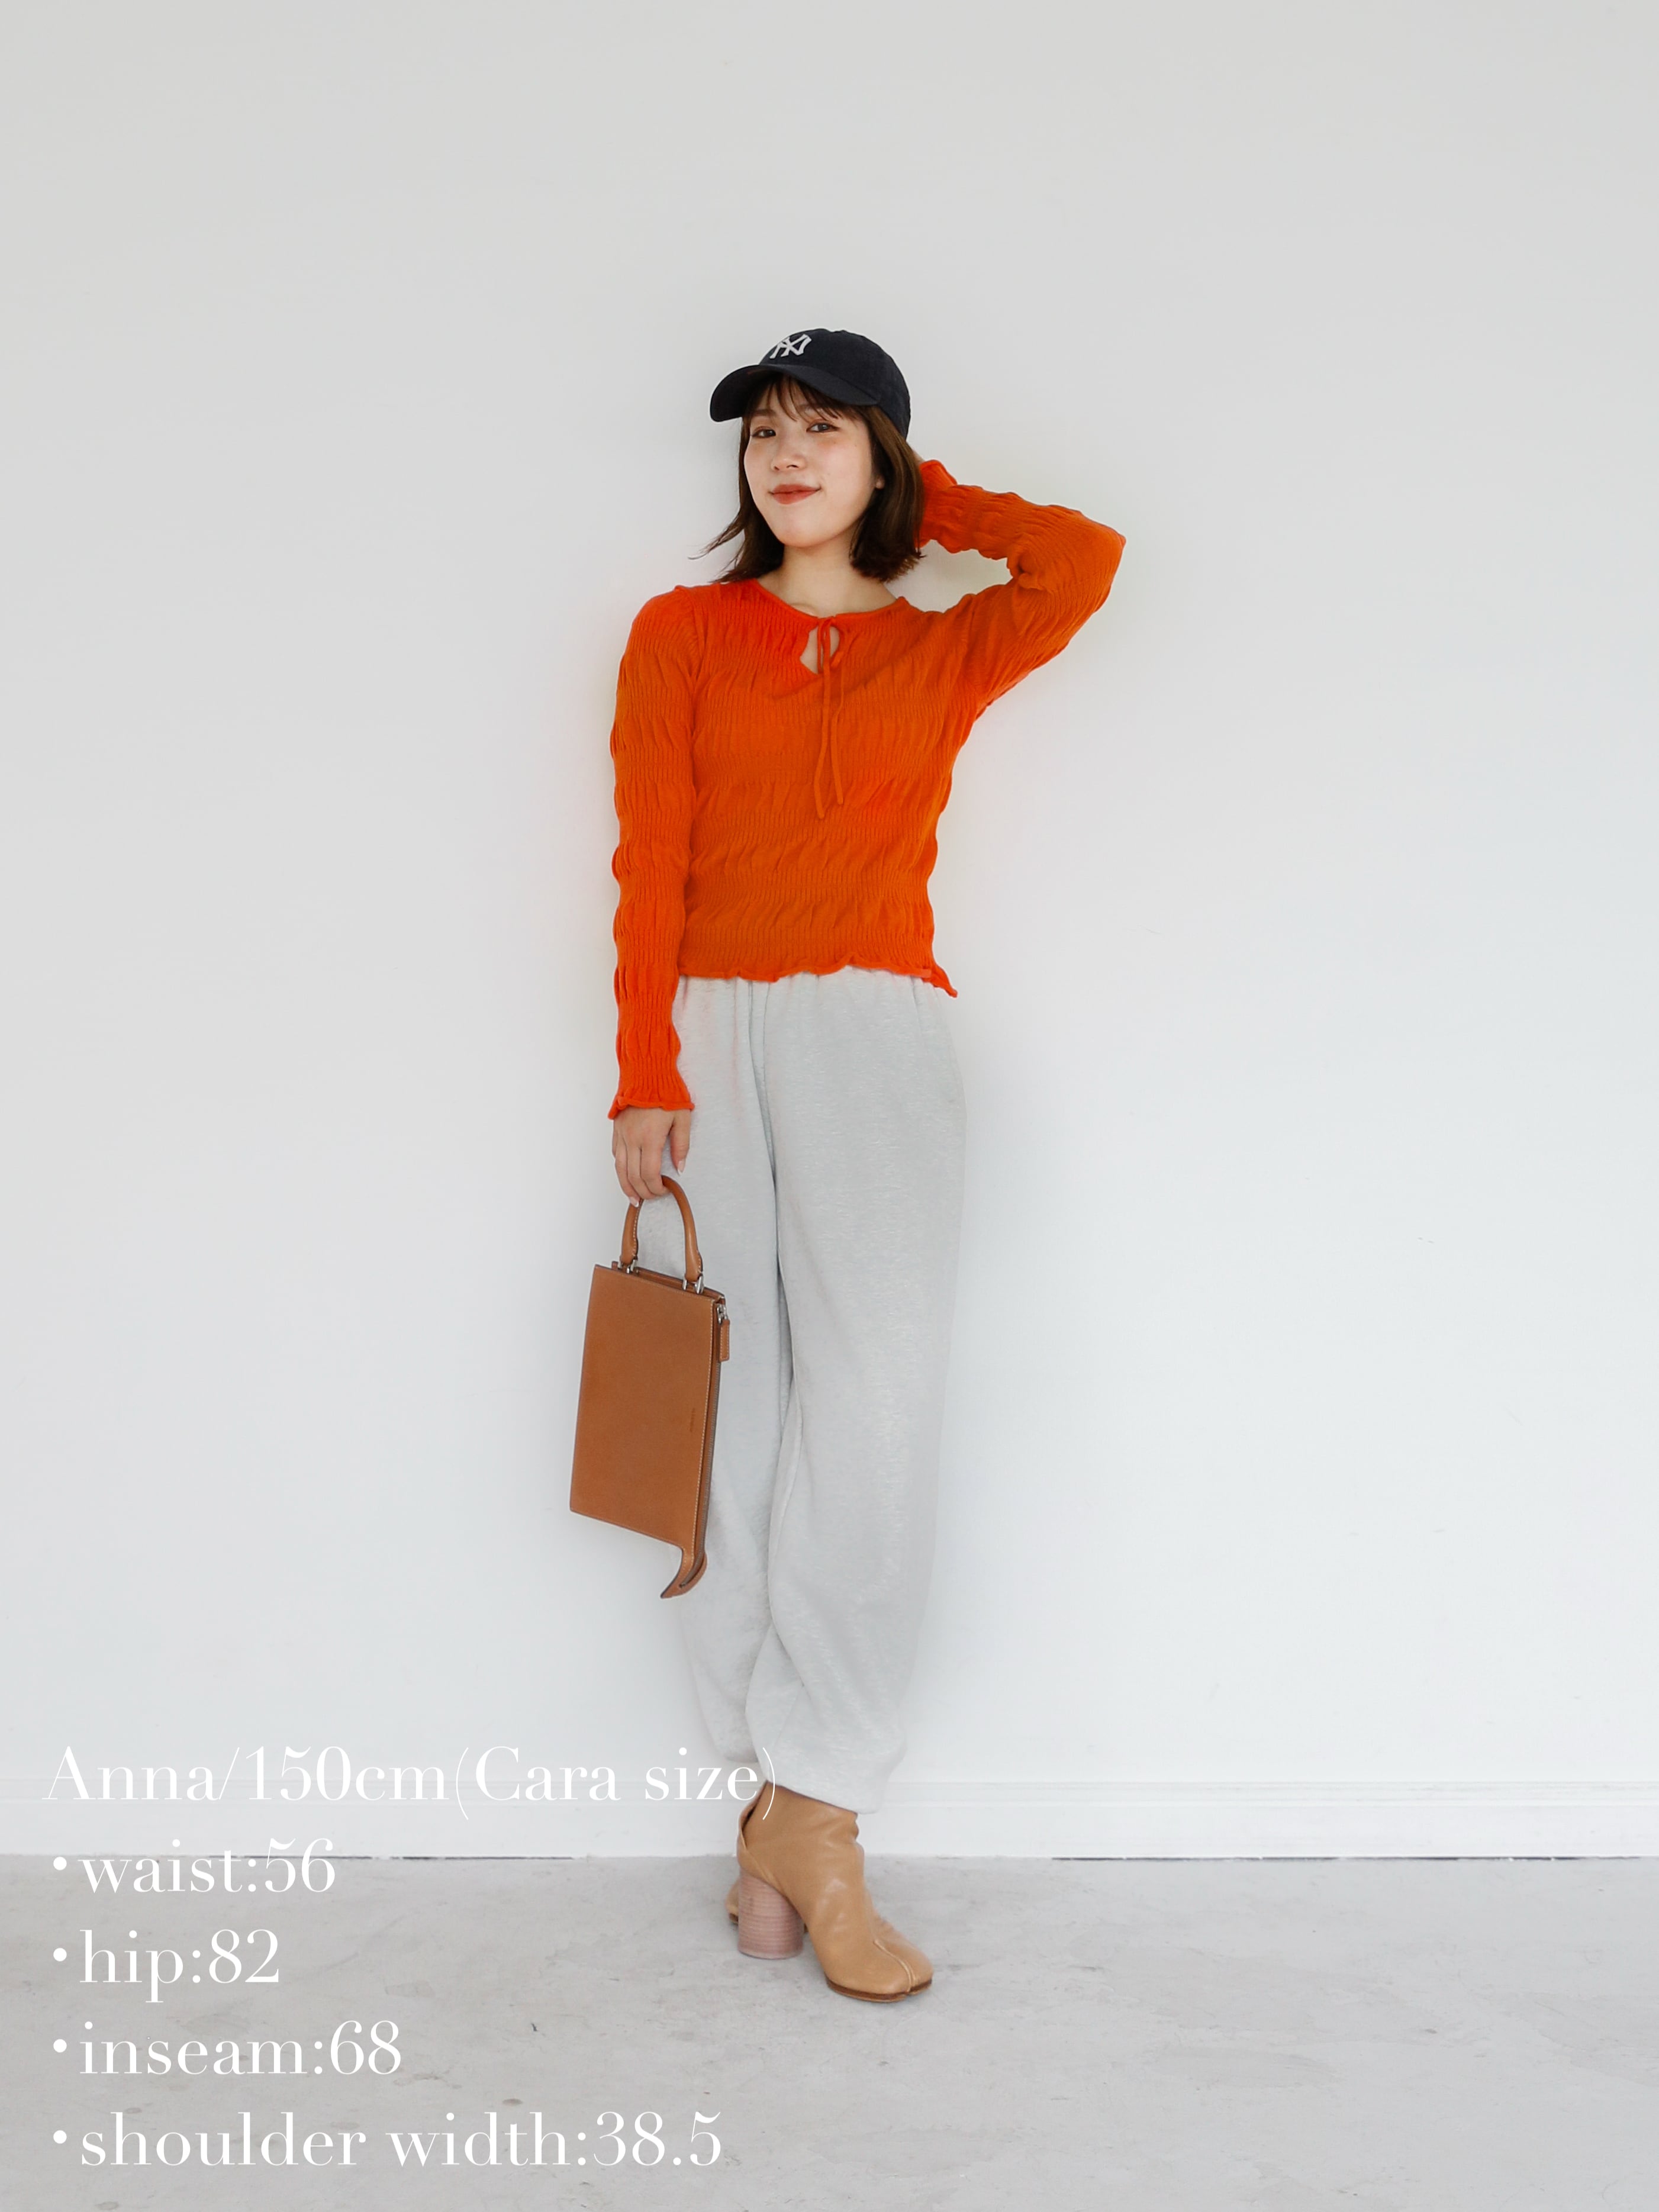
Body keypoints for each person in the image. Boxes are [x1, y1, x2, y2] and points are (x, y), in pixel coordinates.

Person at [604, 327, 1125, 2001]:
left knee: (877, 1416)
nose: (784, 454)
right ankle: (767, 1795)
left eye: (823, 428)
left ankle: (817, 1806)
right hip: (708, 1031)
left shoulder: (942, 647)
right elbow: (649, 853)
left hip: (876, 1033)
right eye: (764, 431)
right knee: (722, 1420)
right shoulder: (681, 635)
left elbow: (1085, 558)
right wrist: (644, 1068)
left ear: (880, 453)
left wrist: (923, 497)